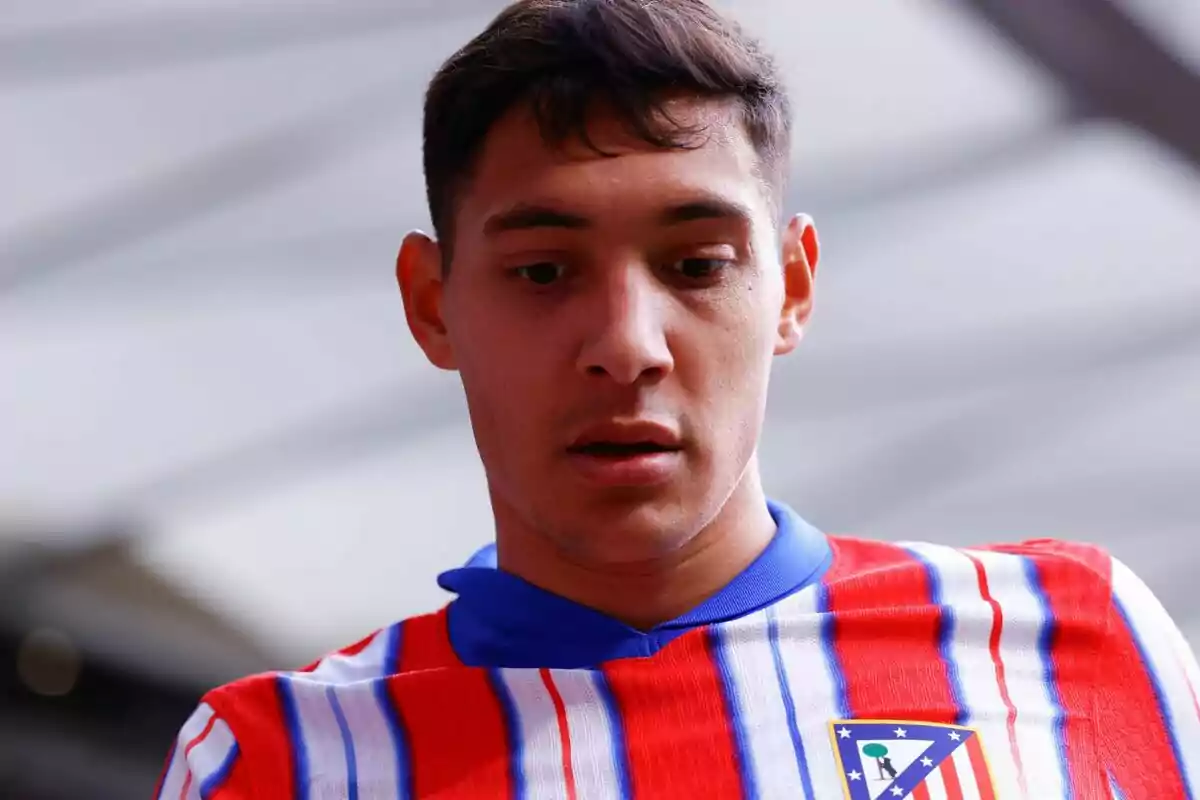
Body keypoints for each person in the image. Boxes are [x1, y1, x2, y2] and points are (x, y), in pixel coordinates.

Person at [155, 1, 1200, 798]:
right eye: (542, 272)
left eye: (697, 264)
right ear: (432, 305)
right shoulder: (275, 759)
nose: (626, 345)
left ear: (790, 287)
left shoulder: (1071, 633)